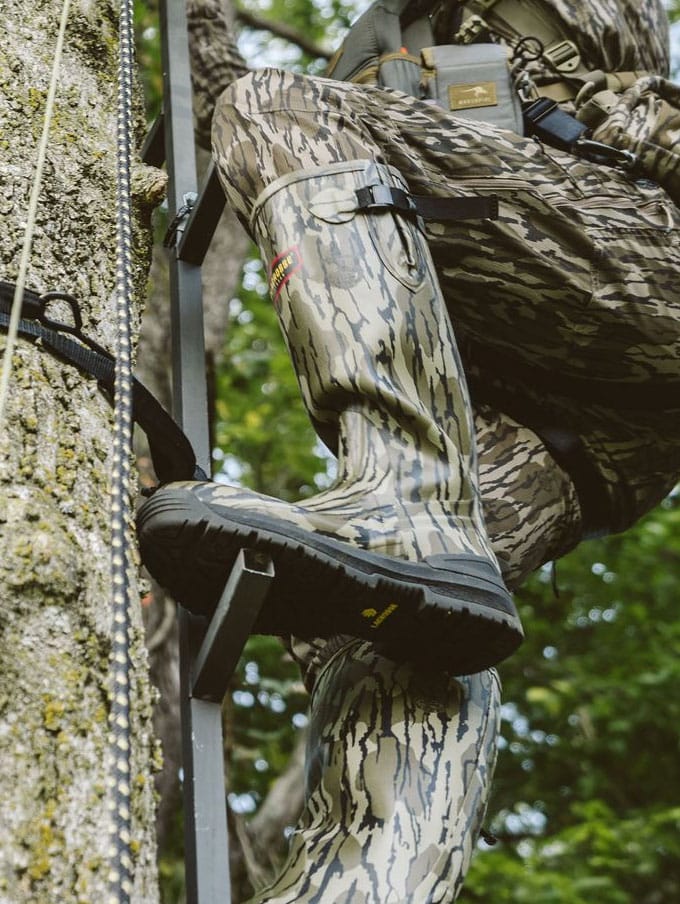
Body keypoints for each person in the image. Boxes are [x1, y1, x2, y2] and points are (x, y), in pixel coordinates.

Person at [137, 1, 680, 899]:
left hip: (636, 255)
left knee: (284, 103)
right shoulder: (380, 57)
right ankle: (360, 885)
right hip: (585, 427)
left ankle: (406, 493)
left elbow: (273, 113)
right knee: (379, 614)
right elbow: (234, 117)